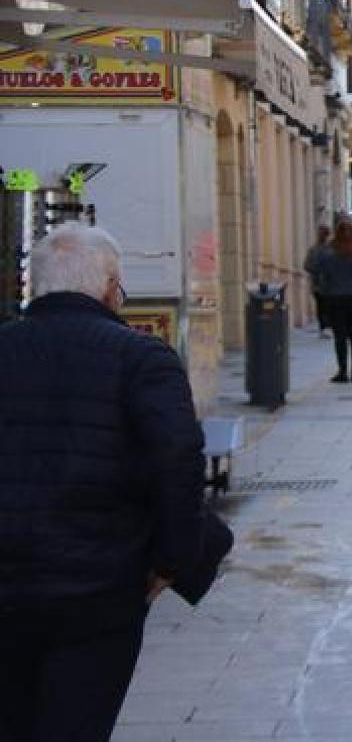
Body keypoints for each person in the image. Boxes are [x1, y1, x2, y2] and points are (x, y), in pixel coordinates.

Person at [0, 225, 206, 739]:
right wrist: (172, 562)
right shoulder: (141, 357)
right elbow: (178, 460)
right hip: (97, 589)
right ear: (111, 286)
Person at [315, 217, 352, 382]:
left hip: (336, 299)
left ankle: (342, 371)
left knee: (340, 337)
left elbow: (318, 272)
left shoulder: (328, 255)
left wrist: (324, 292)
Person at [304, 225, 332, 337]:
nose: (321, 236)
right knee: (321, 305)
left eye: (323, 233)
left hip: (329, 284)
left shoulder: (331, 249)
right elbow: (306, 265)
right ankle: (323, 327)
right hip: (317, 283)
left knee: (327, 305)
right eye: (319, 233)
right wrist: (315, 269)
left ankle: (327, 326)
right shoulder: (313, 250)